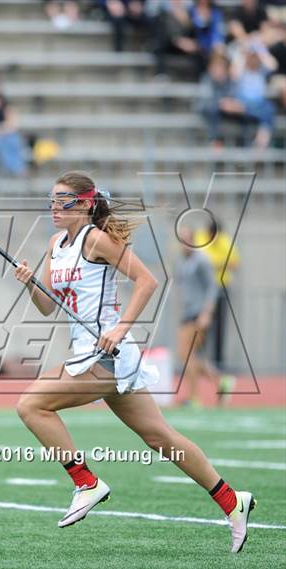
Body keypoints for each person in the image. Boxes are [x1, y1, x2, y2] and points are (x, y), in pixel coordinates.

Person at [13, 170, 256, 552]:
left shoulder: (96, 240)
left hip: (107, 354)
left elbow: (147, 281)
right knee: (162, 438)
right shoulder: (55, 243)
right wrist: (30, 282)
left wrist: (122, 328)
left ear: (87, 204)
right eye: (52, 199)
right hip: (86, 354)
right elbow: (47, 307)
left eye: (64, 200)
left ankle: (86, 483)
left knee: (30, 405)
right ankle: (232, 501)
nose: (55, 207)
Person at [175, 226, 234, 406]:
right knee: (188, 356)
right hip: (187, 312)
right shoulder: (181, 261)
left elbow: (212, 287)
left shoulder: (202, 260)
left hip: (198, 313)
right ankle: (221, 380)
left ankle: (194, 398)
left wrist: (206, 313)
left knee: (187, 355)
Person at [194, 218, 240, 375]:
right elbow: (197, 260)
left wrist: (213, 264)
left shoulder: (225, 241)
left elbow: (234, 263)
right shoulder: (200, 237)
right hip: (202, 289)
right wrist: (219, 264)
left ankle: (218, 363)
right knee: (200, 328)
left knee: (220, 327)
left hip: (221, 288)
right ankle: (201, 363)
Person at [195, 52, 234, 146]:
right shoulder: (206, 79)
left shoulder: (229, 81)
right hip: (208, 112)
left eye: (221, 67)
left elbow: (233, 98)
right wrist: (220, 103)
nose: (218, 70)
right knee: (212, 109)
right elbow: (201, 104)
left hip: (227, 114)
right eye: (215, 66)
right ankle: (215, 141)